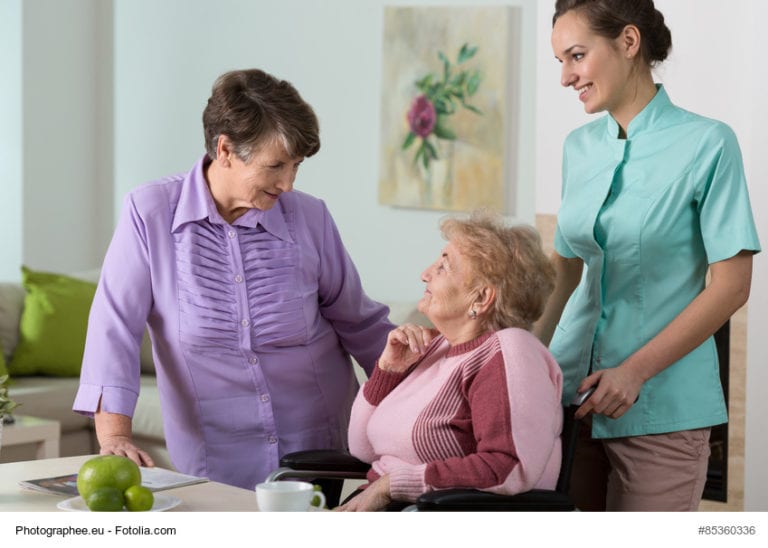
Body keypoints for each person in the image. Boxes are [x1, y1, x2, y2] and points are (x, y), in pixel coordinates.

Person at [73, 69, 394, 492]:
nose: (288, 182)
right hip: (215, 457)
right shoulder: (150, 214)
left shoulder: (309, 217)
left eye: (296, 165)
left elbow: (361, 322)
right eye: (275, 165)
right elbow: (114, 329)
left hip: (316, 450)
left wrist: (431, 396)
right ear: (225, 149)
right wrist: (114, 436)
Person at [539, 0, 761, 511]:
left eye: (577, 56)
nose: (567, 77)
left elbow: (732, 285)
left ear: (629, 42)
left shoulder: (709, 143)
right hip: (569, 399)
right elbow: (566, 270)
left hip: (662, 407)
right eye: (560, 63)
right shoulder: (578, 147)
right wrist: (528, 360)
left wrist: (633, 371)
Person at [336, 211, 563, 511]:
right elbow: (362, 449)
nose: (425, 273)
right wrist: (387, 371)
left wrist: (392, 485)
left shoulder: (510, 352)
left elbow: (507, 466)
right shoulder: (436, 347)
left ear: (481, 298)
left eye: (444, 266)